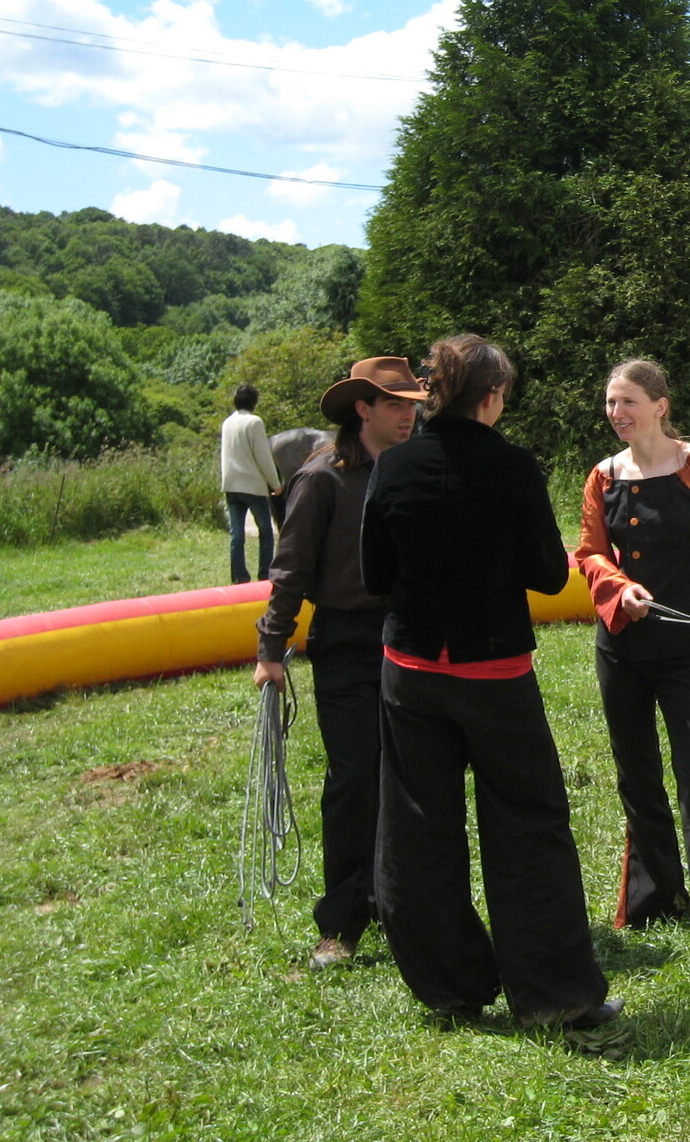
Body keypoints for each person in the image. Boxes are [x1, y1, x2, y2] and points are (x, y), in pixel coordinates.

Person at [361, 334, 618, 1029]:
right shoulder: (514, 468)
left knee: (416, 829)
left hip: (411, 671)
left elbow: (374, 575)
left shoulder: (393, 467)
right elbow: (549, 575)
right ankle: (554, 996)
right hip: (495, 671)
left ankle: (450, 989)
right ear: (493, 396)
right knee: (529, 826)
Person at [574, 359, 690, 943]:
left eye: (628, 401)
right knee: (637, 778)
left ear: (660, 406)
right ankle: (653, 904)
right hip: (621, 651)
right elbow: (589, 552)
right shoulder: (602, 476)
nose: (617, 413)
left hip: (686, 653)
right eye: (611, 403)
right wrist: (617, 589)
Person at [253, 358, 427, 969]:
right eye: (395, 404)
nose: (408, 416)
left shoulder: (413, 468)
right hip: (348, 642)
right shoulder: (322, 478)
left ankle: (406, 906)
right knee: (354, 779)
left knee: (412, 776)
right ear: (363, 409)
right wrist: (271, 649)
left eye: (412, 405)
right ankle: (343, 922)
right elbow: (290, 569)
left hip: (410, 635)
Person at [220, 384, 281, 584]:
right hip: (253, 485)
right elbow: (263, 457)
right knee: (266, 530)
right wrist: (275, 483)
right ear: (253, 402)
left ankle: (238, 576)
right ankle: (265, 573)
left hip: (231, 484)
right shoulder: (255, 422)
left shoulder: (227, 422)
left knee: (236, 535)